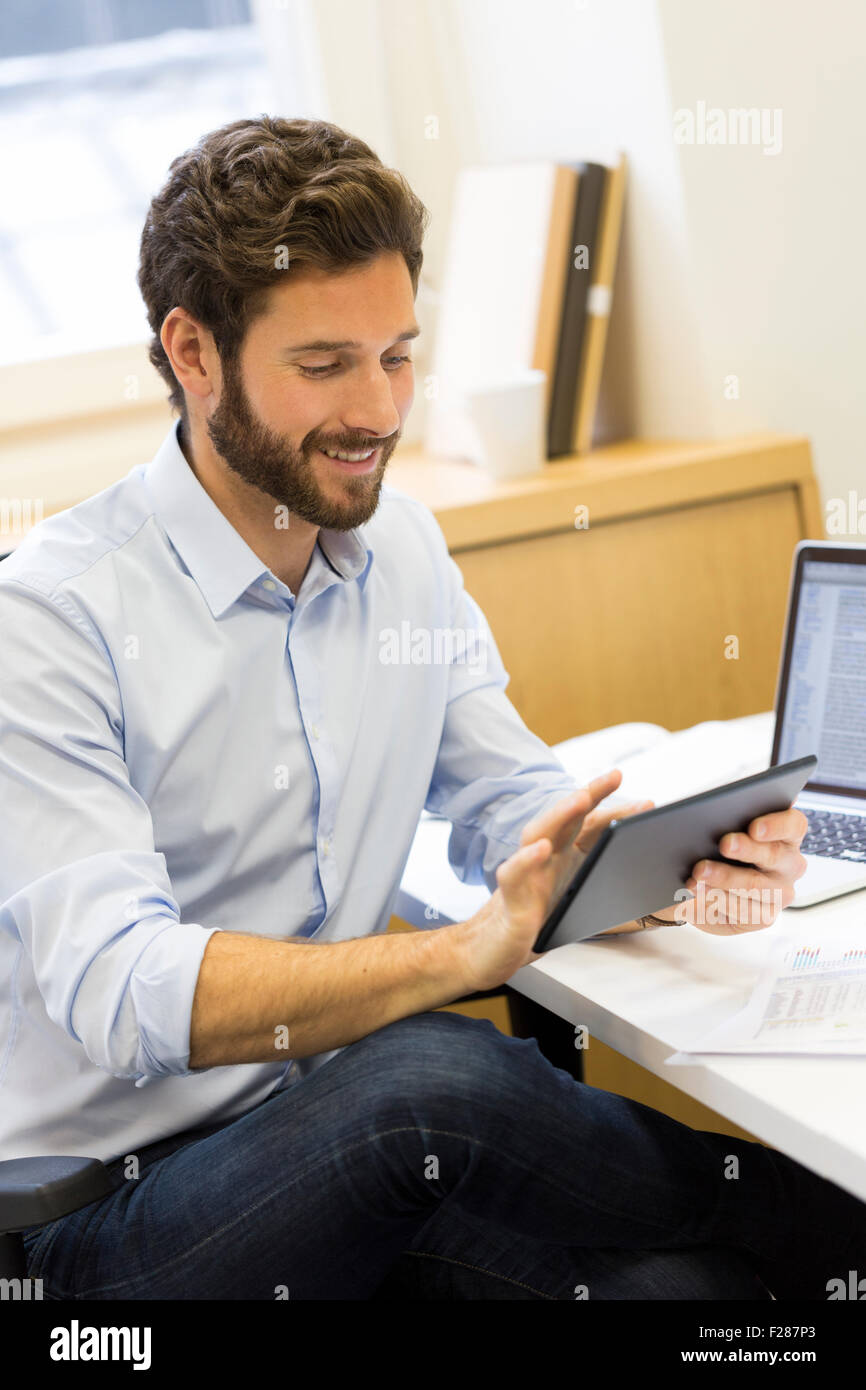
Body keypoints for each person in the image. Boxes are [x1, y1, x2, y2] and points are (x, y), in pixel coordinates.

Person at [2, 116, 861, 1301]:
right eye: (323, 366)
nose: (376, 410)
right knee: (435, 1070)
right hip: (115, 1220)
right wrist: (459, 951)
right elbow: (125, 993)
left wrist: (662, 852)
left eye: (397, 354)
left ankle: (807, 1248)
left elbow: (505, 805)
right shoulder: (51, 617)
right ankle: (824, 1211)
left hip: (357, 1157)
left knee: (691, 1298)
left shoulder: (393, 545)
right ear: (192, 352)